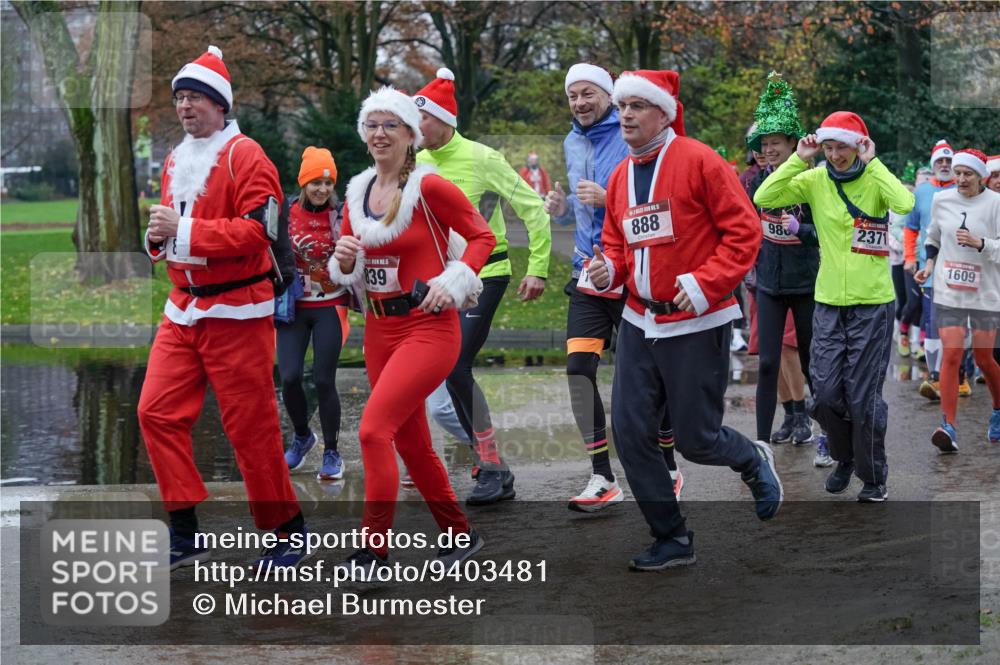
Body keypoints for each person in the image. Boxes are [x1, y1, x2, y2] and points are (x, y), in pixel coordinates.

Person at [588, 69, 782, 571]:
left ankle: (749, 457)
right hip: (637, 320)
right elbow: (617, 241)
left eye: (636, 105)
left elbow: (744, 233)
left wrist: (703, 283)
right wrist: (609, 267)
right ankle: (672, 537)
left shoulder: (700, 161)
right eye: (622, 106)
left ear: (663, 112)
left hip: (696, 322)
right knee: (631, 434)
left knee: (696, 439)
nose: (626, 114)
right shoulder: (619, 176)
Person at [138, 45, 307, 569]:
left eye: (195, 98)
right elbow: (170, 226)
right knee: (155, 412)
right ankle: (185, 532)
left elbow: (262, 230)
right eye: (180, 98)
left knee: (249, 426)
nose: (185, 107)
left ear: (220, 105)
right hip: (182, 308)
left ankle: (287, 531)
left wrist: (183, 231)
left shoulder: (246, 155)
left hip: (237, 310)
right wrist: (158, 238)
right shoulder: (173, 158)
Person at [328, 86, 495, 575]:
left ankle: (374, 551)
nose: (380, 134)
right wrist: (344, 261)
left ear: (410, 135)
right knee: (409, 442)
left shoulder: (430, 186)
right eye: (372, 125)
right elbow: (353, 260)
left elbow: (481, 237)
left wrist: (454, 279)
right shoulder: (357, 191)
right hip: (380, 331)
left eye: (391, 125)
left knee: (373, 430)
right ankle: (460, 533)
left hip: (428, 328)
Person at [754, 111, 915, 502]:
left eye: (842, 146)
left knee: (863, 397)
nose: (835, 154)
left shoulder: (874, 180)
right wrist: (799, 158)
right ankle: (844, 457)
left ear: (858, 145)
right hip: (827, 302)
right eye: (829, 147)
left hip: (873, 305)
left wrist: (873, 161)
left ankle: (873, 477)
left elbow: (904, 202)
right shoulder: (814, 180)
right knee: (824, 394)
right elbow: (764, 197)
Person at [544, 63, 683, 511]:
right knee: (578, 371)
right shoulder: (570, 141)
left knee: (644, 379)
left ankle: (667, 463)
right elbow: (577, 214)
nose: (580, 103)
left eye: (588, 94)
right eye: (572, 96)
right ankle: (602, 477)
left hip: (630, 271)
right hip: (588, 272)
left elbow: (658, 207)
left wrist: (611, 200)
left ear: (607, 95)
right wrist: (562, 207)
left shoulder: (631, 136)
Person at [414, 68, 552, 504]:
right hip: (437, 283)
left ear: (444, 120)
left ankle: (490, 467)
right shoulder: (415, 162)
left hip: (484, 274)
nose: (416, 128)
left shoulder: (482, 157)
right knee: (436, 392)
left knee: (456, 367)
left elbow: (533, 209)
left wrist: (539, 266)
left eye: (423, 120)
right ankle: (493, 463)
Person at [744, 73, 818, 447]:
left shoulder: (814, 180)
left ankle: (830, 438)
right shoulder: (754, 182)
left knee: (811, 364)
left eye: (775, 142)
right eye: (763, 143)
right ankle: (759, 447)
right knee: (768, 363)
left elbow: (828, 232)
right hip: (768, 283)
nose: (768, 149)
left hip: (806, 283)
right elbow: (744, 223)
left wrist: (801, 230)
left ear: (794, 143)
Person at [914, 148, 1000, 450]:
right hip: (949, 288)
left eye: (968, 174)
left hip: (986, 292)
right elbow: (933, 236)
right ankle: (947, 426)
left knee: (983, 358)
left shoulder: (995, 204)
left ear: (981, 177)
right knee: (951, 353)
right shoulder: (942, 200)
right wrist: (927, 265)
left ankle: (999, 410)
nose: (961, 179)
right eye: (958, 173)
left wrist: (981, 244)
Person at [277, 147, 350, 481]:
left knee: (323, 379)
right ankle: (303, 436)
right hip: (294, 306)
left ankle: (332, 452)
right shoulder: (285, 211)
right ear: (303, 182)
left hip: (329, 306)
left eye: (328, 183)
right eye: (315, 182)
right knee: (289, 377)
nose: (322, 189)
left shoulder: (340, 215)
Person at [904, 140, 956, 399]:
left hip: (960, 269)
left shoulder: (965, 187)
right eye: (940, 161)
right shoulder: (922, 192)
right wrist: (909, 257)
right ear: (933, 164)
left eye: (948, 161)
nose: (945, 165)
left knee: (960, 325)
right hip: (930, 269)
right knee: (933, 321)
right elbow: (911, 228)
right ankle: (935, 377)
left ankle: (960, 376)